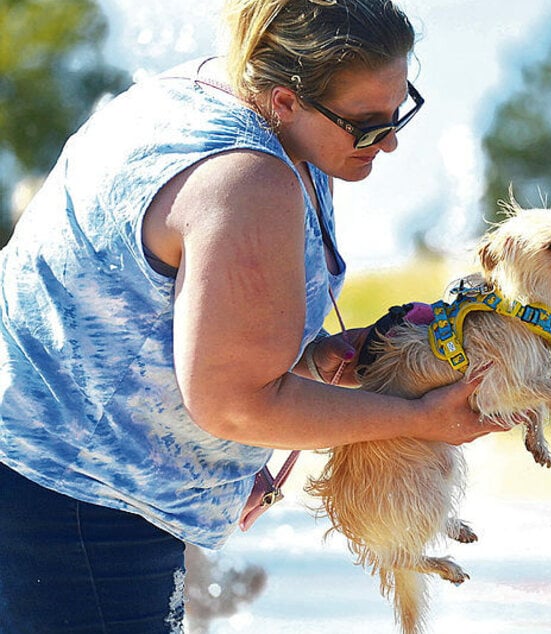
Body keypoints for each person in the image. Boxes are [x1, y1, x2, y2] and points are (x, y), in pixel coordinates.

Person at [0, 1, 501, 631]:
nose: (391, 141)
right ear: (286, 99)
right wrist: (421, 418)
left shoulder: (209, 98)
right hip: (74, 507)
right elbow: (234, 403)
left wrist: (316, 358)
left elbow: (178, 322)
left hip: (49, 483)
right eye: (367, 125)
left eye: (400, 111)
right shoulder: (245, 176)